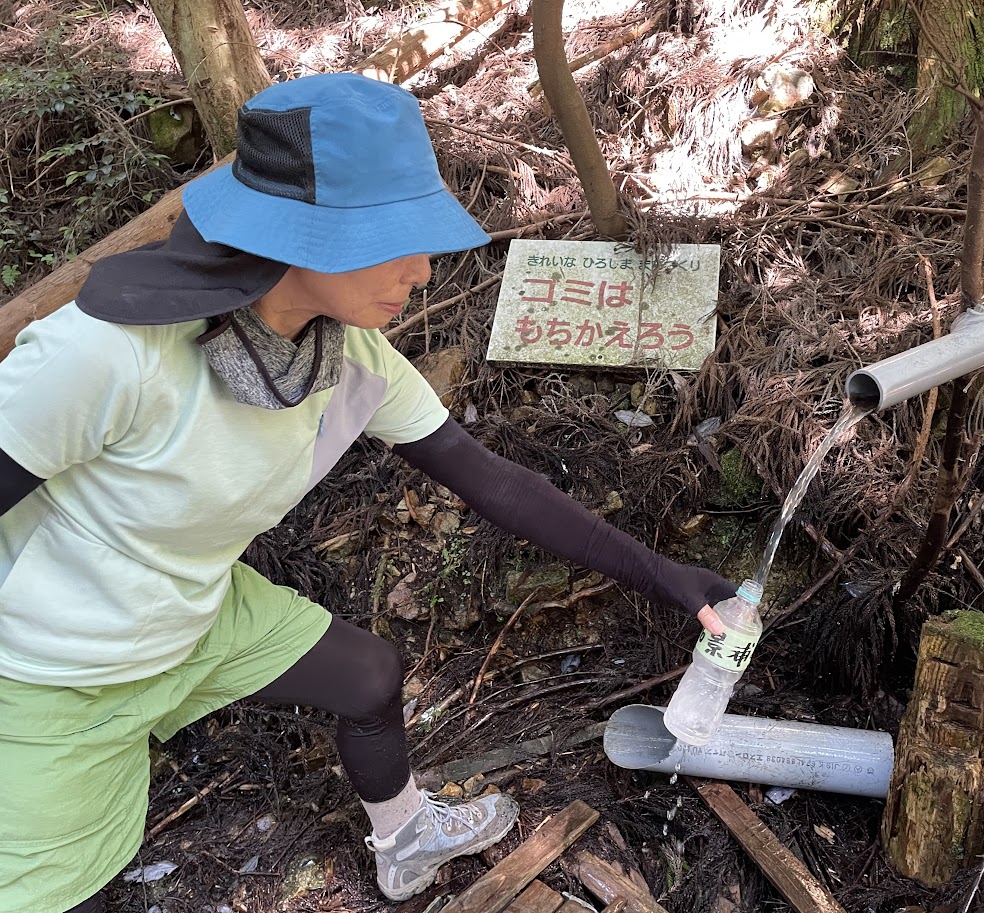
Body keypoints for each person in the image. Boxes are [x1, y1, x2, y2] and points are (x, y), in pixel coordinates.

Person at [0, 73, 734, 913]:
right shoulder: (109, 355)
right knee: (66, 892)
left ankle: (406, 835)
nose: (424, 271)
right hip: (50, 666)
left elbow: (495, 482)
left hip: (189, 605)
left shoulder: (345, 359)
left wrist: (667, 576)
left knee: (367, 674)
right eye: (398, 239)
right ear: (302, 236)